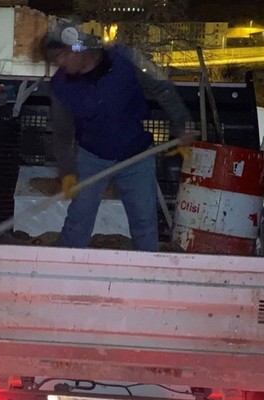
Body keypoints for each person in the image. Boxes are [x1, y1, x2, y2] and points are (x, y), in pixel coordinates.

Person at [45, 21, 193, 251]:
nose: (60, 64)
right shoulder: (60, 86)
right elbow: (62, 133)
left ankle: (147, 273)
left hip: (136, 156)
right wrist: (67, 169)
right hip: (92, 158)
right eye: (56, 59)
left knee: (144, 222)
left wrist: (182, 125)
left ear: (79, 48)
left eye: (63, 55)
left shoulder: (126, 61)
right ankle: (67, 273)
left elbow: (162, 88)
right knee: (78, 222)